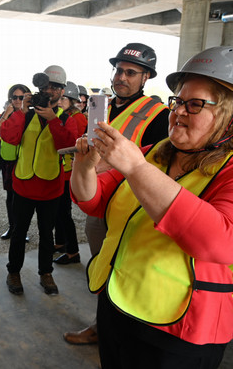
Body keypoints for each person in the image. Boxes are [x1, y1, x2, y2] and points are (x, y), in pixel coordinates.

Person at [70, 45, 233, 369]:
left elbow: (223, 242)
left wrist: (137, 169)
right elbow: (93, 201)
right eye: (178, 102)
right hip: (118, 303)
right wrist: (84, 168)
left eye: (194, 104)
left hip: (181, 330)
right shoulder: (156, 152)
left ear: (231, 114)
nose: (178, 112)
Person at [64, 42, 169, 345]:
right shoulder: (101, 108)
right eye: (118, 70)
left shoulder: (159, 116)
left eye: (130, 72)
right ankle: (102, 328)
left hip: (132, 209)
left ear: (146, 77)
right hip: (98, 203)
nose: (121, 77)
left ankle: (124, 339)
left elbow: (159, 166)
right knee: (101, 269)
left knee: (129, 273)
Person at [0, 65, 77, 296]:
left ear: (62, 91)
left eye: (55, 87)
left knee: (47, 234)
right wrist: (22, 110)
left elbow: (66, 146)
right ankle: (13, 272)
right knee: (18, 232)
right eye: (45, 87)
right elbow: (8, 137)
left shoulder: (66, 118)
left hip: (50, 188)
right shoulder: (26, 114)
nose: (49, 91)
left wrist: (53, 119)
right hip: (23, 185)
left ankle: (46, 273)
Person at [0, 84, 31, 241]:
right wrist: (7, 113)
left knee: (24, 198)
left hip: (25, 160)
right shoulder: (6, 114)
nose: (17, 100)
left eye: (21, 97)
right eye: (14, 97)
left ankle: (22, 230)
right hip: (9, 161)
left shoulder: (32, 115)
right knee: (11, 197)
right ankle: (12, 227)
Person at [54, 81, 86, 264]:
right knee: (59, 211)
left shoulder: (77, 118)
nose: (60, 101)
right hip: (62, 170)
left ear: (72, 100)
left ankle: (73, 251)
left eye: (64, 98)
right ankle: (61, 243)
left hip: (68, 171)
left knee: (64, 212)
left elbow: (76, 145)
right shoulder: (65, 116)